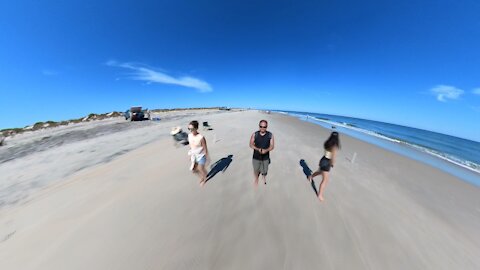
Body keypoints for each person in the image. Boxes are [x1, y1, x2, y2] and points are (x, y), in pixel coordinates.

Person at [309, 132, 341, 201]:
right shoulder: (334, 146)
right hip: (327, 162)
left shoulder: (327, 143)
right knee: (325, 180)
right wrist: (332, 164)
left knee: (320, 172)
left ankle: (310, 177)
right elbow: (333, 157)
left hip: (323, 160)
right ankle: (319, 195)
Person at [249, 120, 274, 187]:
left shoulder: (270, 135)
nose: (262, 128)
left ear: (267, 127)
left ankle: (263, 176)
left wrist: (266, 150)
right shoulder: (255, 134)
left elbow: (272, 146)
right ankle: (256, 179)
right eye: (261, 126)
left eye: (264, 127)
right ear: (259, 126)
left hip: (266, 157)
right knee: (256, 170)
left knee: (265, 170)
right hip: (256, 157)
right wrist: (258, 149)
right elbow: (251, 144)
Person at [188, 121, 209, 187]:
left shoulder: (201, 137)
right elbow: (191, 146)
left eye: (192, 129)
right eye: (189, 129)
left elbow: (205, 148)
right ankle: (202, 176)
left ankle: (204, 179)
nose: (190, 130)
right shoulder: (189, 136)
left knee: (200, 168)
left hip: (201, 155)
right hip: (194, 155)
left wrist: (207, 158)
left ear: (196, 128)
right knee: (194, 170)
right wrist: (190, 155)